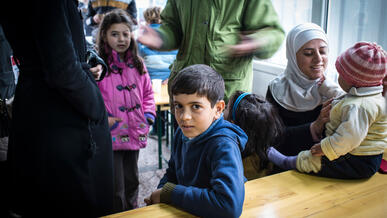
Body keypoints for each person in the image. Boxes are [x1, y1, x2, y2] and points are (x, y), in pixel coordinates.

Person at [0, 0, 114, 216]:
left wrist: (89, 58)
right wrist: (96, 106)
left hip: (44, 107)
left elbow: (63, 40)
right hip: (61, 117)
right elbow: (62, 69)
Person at [268, 42, 387, 179]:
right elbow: (342, 97)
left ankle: (288, 162)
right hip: (362, 154)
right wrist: (325, 86)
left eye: (341, 75)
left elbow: (349, 137)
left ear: (353, 81)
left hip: (357, 160)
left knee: (316, 160)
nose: (318, 59)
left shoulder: (359, 106)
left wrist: (326, 148)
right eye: (308, 53)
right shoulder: (368, 95)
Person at [144, 64, 247, 217]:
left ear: (218, 109)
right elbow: (172, 173)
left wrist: (170, 194)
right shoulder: (182, 132)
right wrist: (160, 194)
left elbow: (229, 207)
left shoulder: (223, 145)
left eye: (196, 106)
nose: (184, 117)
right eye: (178, 106)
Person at [137, 0, 284, 102]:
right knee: (185, 144)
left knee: (224, 144)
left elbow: (273, 32)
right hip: (186, 90)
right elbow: (173, 28)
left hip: (228, 94)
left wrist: (256, 41)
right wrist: (160, 37)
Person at [96, 9, 156, 212]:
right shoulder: (99, 67)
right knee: (115, 186)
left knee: (132, 180)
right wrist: (105, 121)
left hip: (135, 129)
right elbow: (94, 100)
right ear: (104, 34)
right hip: (111, 133)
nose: (121, 39)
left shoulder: (138, 64)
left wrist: (148, 117)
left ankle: (132, 212)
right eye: (115, 34)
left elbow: (148, 94)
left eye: (125, 33)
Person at [266, 23, 344, 157]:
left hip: (326, 163)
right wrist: (314, 127)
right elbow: (272, 138)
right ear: (292, 56)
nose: (318, 59)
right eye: (308, 53)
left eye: (323, 51)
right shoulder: (277, 89)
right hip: (286, 164)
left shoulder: (335, 87)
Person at [223, 91, 284, 180]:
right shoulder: (267, 153)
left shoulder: (232, 159)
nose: (222, 110)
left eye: (226, 108)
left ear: (233, 124)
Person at [138, 6, 178, 138]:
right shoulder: (169, 36)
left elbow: (139, 57)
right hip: (169, 78)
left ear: (147, 19)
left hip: (152, 80)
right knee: (170, 105)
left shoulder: (145, 34)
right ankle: (173, 131)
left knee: (156, 104)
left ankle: (159, 131)